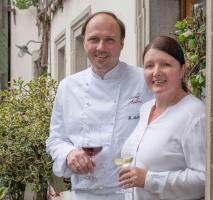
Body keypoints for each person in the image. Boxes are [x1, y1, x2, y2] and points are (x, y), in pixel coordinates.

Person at [46, 11, 152, 200]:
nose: (101, 47)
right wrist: (69, 153)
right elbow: (55, 140)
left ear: (122, 43)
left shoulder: (143, 81)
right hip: (84, 193)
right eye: (94, 39)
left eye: (109, 40)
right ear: (84, 42)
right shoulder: (68, 87)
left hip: (133, 193)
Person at [118, 36, 205, 200]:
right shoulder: (145, 109)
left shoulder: (195, 114)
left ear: (182, 69)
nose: (156, 72)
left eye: (165, 64)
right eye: (149, 66)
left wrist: (149, 180)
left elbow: (204, 180)